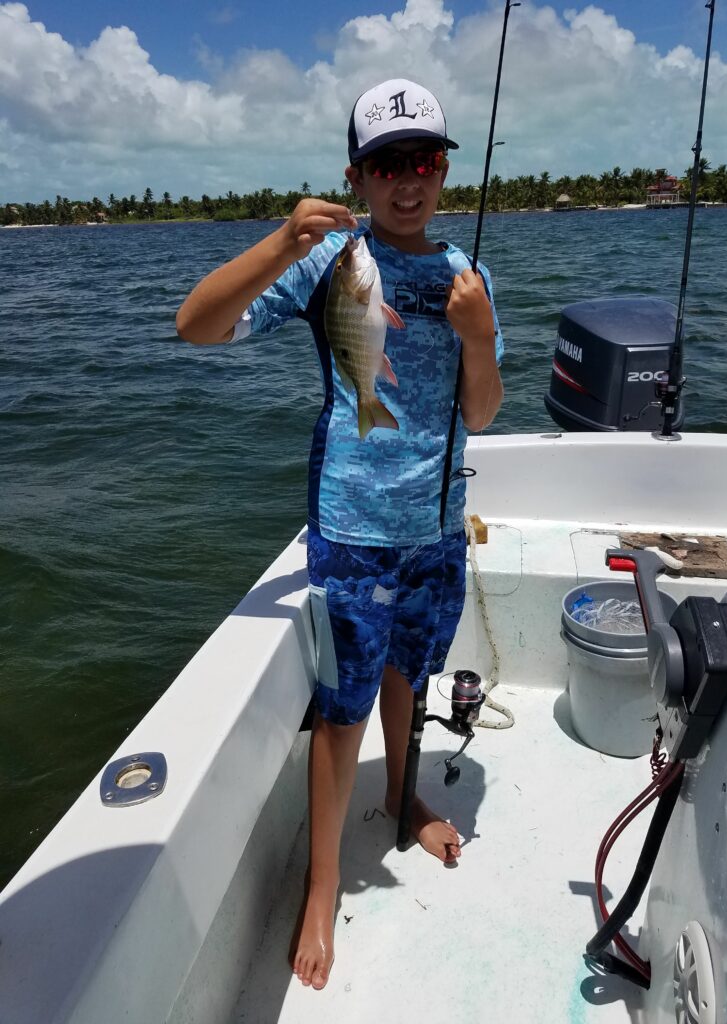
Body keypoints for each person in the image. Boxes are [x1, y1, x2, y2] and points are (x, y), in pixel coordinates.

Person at [176, 77, 504, 991]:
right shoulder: (331, 265)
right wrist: (286, 238)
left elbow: (480, 408)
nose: (409, 182)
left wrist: (477, 335)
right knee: (342, 708)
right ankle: (323, 885)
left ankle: (402, 800)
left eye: (426, 161)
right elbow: (197, 326)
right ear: (356, 176)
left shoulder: (466, 279)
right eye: (387, 165)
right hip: (353, 529)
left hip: (437, 525)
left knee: (410, 673)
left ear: (444, 170)